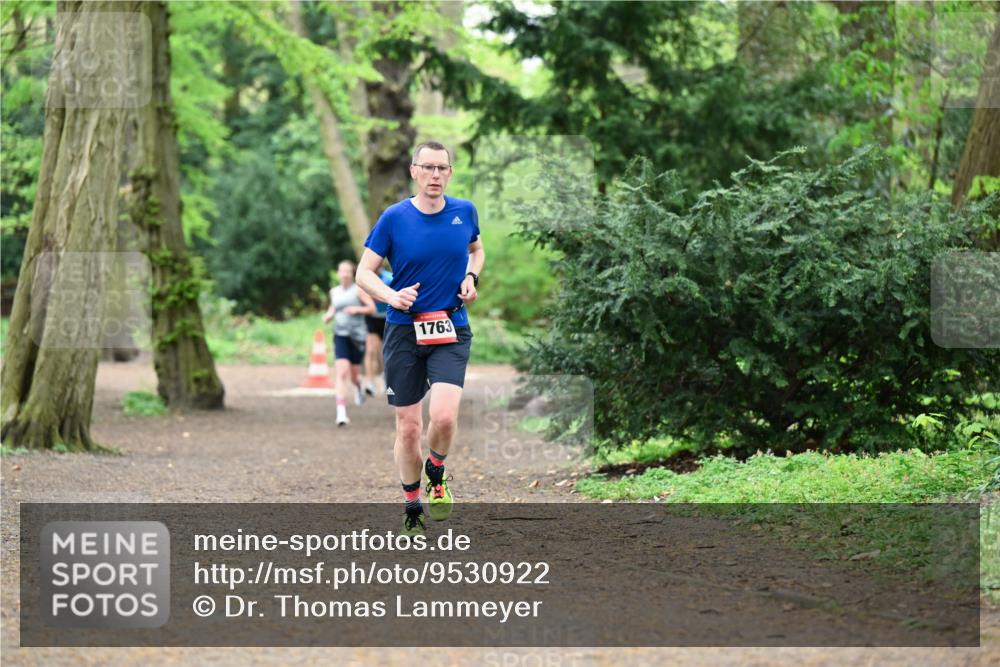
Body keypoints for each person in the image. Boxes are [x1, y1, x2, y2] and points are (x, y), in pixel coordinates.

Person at [356, 140, 484, 536]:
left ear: (449, 173)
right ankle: (412, 504)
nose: (435, 175)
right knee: (409, 427)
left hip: (451, 326)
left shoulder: (464, 212)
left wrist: (471, 276)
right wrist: (392, 295)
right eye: (427, 168)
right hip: (404, 330)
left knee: (443, 417)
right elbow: (365, 273)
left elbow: (476, 251)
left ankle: (437, 471)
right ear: (413, 171)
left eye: (442, 169)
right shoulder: (394, 218)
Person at [322, 259, 376, 426]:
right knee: (342, 372)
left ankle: (358, 386)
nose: (344, 274)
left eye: (347, 271)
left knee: (353, 374)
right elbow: (334, 307)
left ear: (352, 273)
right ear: (338, 273)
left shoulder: (358, 290)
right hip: (340, 335)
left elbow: (372, 308)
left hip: (357, 336)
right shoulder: (334, 291)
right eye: (341, 271)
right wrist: (329, 315)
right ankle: (341, 413)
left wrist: (357, 309)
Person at [362, 266, 393, 396]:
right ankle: (370, 382)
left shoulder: (389, 277)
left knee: (387, 352)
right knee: (371, 350)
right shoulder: (364, 277)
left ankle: (387, 380)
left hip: (388, 318)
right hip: (372, 319)